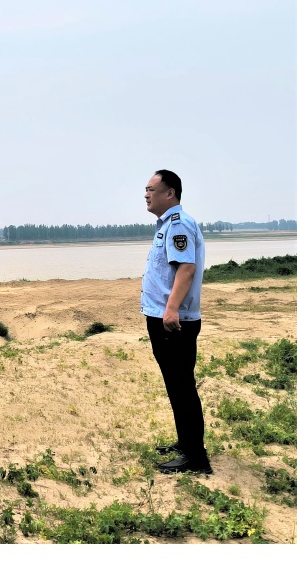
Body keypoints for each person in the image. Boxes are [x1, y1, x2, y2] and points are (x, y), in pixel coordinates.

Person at [141, 170, 211, 475]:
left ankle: (196, 458)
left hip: (173, 322)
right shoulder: (167, 225)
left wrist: (171, 310)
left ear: (170, 193)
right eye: (145, 190)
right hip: (165, 318)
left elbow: (186, 269)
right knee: (176, 384)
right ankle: (186, 443)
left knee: (182, 386)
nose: (146, 195)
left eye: (151, 189)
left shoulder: (178, 224)